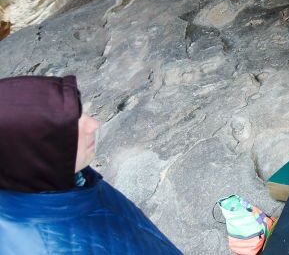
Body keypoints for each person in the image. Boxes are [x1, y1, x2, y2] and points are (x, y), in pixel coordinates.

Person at [0, 75, 180, 254]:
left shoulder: (72, 179)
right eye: (69, 128)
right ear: (35, 154)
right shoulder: (42, 247)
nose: (93, 124)